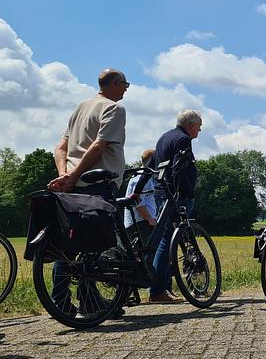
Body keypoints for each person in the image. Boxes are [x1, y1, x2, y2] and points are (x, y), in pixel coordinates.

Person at [47, 67, 130, 317]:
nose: (126, 89)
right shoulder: (114, 109)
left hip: (72, 186)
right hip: (97, 182)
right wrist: (73, 176)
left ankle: (62, 301)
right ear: (114, 84)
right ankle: (89, 301)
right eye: (125, 84)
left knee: (70, 244)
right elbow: (98, 146)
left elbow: (60, 147)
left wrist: (64, 175)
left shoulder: (80, 108)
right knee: (96, 242)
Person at [135, 109, 203, 303]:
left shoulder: (164, 138)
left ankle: (162, 287)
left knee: (164, 238)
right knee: (168, 241)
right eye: (199, 126)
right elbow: (179, 169)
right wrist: (187, 192)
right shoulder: (183, 139)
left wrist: (137, 190)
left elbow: (150, 166)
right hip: (176, 196)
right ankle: (157, 290)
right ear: (191, 125)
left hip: (160, 193)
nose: (200, 130)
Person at [124, 149, 158, 243]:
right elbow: (138, 202)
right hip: (141, 224)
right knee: (149, 250)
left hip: (141, 222)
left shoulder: (141, 177)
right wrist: (150, 220)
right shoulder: (140, 179)